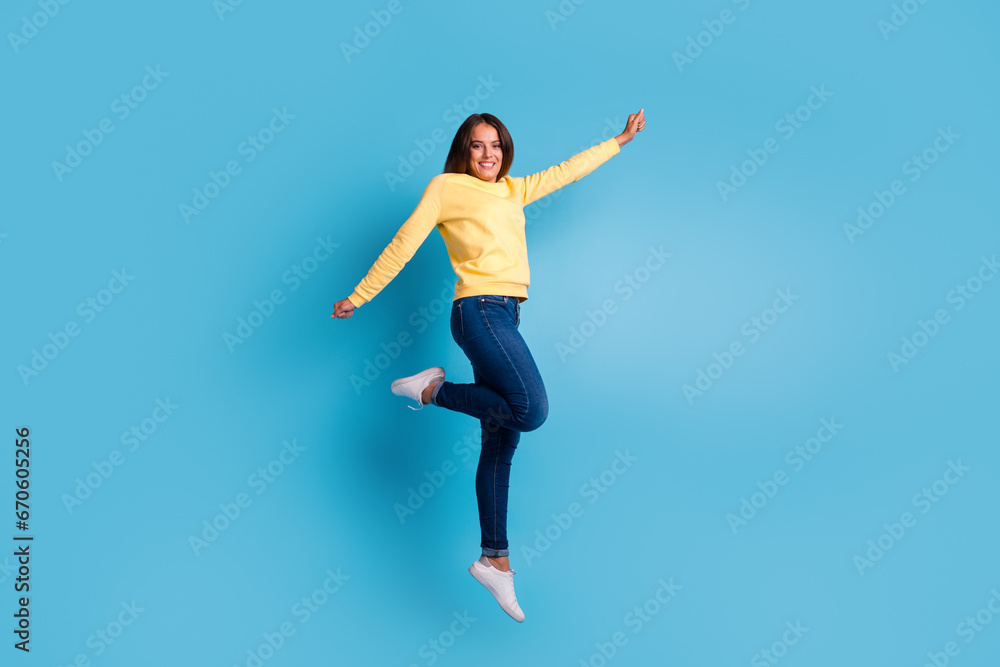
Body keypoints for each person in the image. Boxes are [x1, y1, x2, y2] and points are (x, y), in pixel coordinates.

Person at [331, 109, 645, 622]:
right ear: (464, 151)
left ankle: (495, 560)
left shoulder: (512, 191)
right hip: (479, 311)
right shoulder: (446, 188)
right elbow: (403, 244)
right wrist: (359, 297)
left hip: (507, 315)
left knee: (500, 443)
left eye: (495, 145)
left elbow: (567, 170)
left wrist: (620, 140)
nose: (488, 154)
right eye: (478, 146)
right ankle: (433, 390)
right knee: (530, 409)